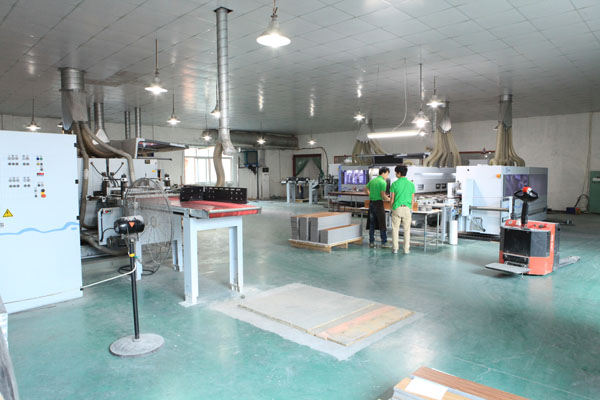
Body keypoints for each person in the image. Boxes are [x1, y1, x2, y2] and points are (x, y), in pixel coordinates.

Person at [389, 164, 415, 254]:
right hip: (407, 209)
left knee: (395, 229)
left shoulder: (394, 184)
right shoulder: (411, 184)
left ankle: (395, 248)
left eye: (396, 173)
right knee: (407, 230)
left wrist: (391, 208)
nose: (395, 174)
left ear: (399, 173)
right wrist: (410, 208)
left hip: (397, 208)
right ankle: (406, 249)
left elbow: (392, 199)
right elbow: (412, 199)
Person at [365, 167, 391, 248]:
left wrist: (371, 195)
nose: (387, 176)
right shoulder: (383, 182)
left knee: (372, 224)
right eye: (387, 174)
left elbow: (365, 189)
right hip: (379, 204)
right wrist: (390, 199)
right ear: (384, 173)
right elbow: (383, 195)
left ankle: (371, 242)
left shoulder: (373, 181)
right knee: (382, 223)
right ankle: (384, 242)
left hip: (371, 203)